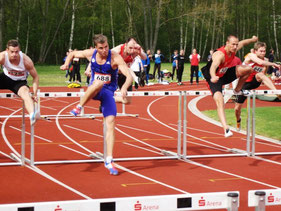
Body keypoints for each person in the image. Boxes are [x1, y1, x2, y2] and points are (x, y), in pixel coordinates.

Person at [60, 34, 133, 175]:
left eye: (106, 47)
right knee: (98, 83)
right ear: (96, 48)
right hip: (94, 90)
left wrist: (123, 87)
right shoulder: (90, 54)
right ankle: (79, 106)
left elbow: (128, 75)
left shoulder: (114, 57)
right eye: (101, 48)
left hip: (108, 94)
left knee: (111, 123)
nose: (105, 50)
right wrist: (66, 63)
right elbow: (74, 53)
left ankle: (109, 160)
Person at [201, 35, 258, 137]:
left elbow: (244, 43)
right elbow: (213, 67)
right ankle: (226, 129)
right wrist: (213, 76)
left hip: (225, 74)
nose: (235, 47)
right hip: (214, 78)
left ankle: (237, 89)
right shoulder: (220, 55)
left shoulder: (233, 48)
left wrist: (253, 40)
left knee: (248, 69)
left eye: (236, 44)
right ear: (227, 43)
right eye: (233, 44)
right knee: (220, 100)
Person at [234, 42, 280, 131]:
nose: (263, 53)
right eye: (261, 51)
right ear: (255, 51)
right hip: (244, 84)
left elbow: (264, 70)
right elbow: (259, 62)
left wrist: (262, 78)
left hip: (255, 80)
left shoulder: (265, 59)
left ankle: (277, 92)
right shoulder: (250, 56)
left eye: (264, 51)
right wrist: (273, 64)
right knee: (237, 109)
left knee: (260, 75)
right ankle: (238, 120)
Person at [0, 39, 40, 125]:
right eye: (12, 52)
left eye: (16, 52)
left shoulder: (26, 61)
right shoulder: (2, 57)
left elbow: (35, 77)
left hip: (19, 82)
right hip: (5, 78)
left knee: (25, 94)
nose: (14, 54)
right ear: (7, 50)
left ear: (20, 51)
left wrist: (35, 93)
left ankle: (32, 114)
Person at [112, 37, 147, 104]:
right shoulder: (118, 49)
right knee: (125, 67)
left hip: (126, 74)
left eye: (133, 48)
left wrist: (140, 52)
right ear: (126, 45)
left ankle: (109, 100)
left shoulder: (136, 50)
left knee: (127, 101)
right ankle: (136, 79)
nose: (132, 50)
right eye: (130, 48)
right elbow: (105, 55)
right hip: (115, 73)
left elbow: (144, 57)